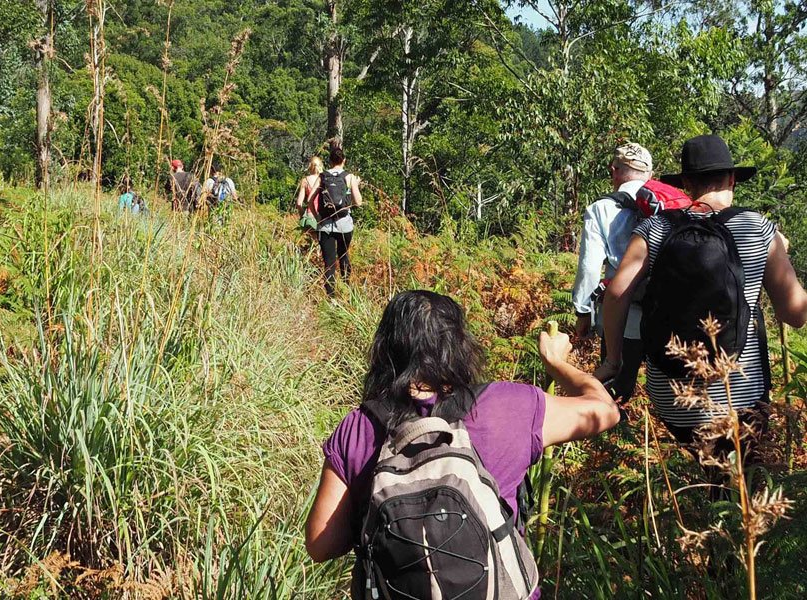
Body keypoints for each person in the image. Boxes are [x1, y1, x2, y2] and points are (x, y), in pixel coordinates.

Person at [306, 290, 620, 598]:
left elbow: (321, 545)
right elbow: (604, 411)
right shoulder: (508, 406)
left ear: (385, 351)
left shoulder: (359, 427)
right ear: (460, 347)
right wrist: (555, 363)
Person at [599, 134, 807, 462]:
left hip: (671, 396)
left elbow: (615, 292)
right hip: (738, 398)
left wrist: (613, 361)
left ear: (685, 183)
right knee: (740, 482)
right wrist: (777, 246)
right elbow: (795, 314)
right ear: (732, 178)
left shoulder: (655, 228)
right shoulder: (757, 227)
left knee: (705, 468)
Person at [571, 143, 653, 405]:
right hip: (667, 311)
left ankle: (608, 436)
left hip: (623, 316)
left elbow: (589, 266)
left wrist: (583, 311)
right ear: (650, 174)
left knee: (615, 390)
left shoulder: (601, 209)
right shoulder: (666, 204)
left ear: (614, 171)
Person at [317, 145, 362, 297]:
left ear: (329, 161)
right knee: (343, 255)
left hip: (325, 225)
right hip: (344, 225)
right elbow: (358, 202)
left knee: (329, 263)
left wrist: (318, 216)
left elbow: (310, 201)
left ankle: (331, 298)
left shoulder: (322, 176)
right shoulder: (349, 177)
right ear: (344, 160)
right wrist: (356, 184)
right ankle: (346, 288)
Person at [294, 156, 323, 245]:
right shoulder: (324, 179)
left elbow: (299, 203)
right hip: (323, 215)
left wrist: (303, 215)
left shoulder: (305, 181)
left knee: (312, 245)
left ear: (310, 166)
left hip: (310, 215)